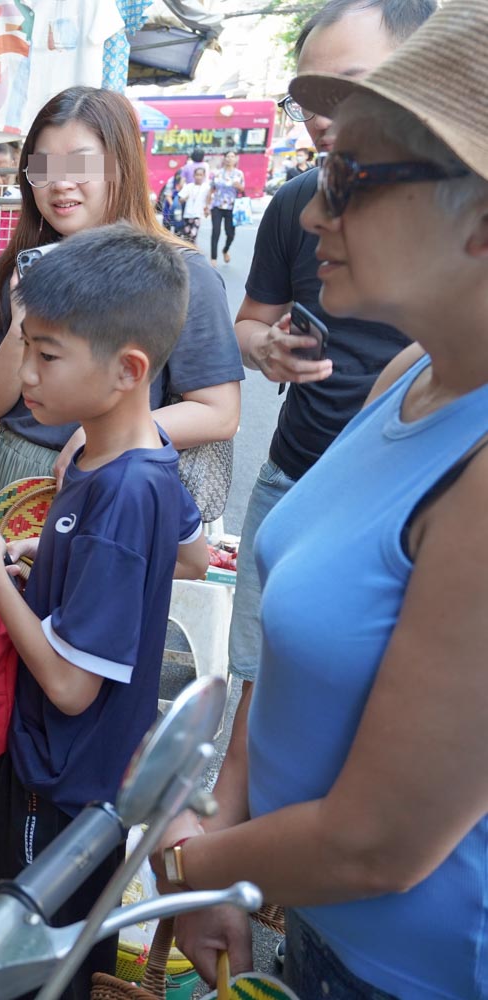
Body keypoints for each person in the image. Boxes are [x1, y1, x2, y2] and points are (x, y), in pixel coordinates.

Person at [157, 5, 488, 994]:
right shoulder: (409, 377)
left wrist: (181, 867)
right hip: (319, 926)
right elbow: (296, 649)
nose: (310, 214)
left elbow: (378, 844)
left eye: (348, 181)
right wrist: (230, 832)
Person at [0, 223, 211, 999]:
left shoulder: (119, 491)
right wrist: (51, 557)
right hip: (78, 775)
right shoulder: (130, 461)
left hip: (60, 784)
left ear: (128, 370)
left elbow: (71, 686)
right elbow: (192, 554)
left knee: (35, 959)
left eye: (48, 354)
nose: (26, 373)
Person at [225, 0, 435, 726]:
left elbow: (381, 820)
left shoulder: (454, 462)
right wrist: (264, 347)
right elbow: (247, 326)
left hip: (393, 500)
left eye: (348, 86)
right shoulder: (294, 204)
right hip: (297, 475)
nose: (319, 116)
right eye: (306, 97)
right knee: (263, 685)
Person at [0, 87, 243, 508]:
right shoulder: (19, 268)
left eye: (81, 165)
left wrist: (101, 433)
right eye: (43, 167)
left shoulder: (185, 274)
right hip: (12, 478)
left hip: (115, 480)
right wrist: (22, 324)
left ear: (121, 165)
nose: (60, 184)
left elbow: (219, 412)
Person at [207, 150, 246, 263]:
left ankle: (225, 250)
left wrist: (239, 186)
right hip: (217, 206)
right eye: (227, 156)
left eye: (232, 156)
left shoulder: (239, 174)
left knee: (230, 234)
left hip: (231, 207)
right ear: (224, 159)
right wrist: (207, 205)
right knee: (216, 232)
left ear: (235, 159)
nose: (229, 159)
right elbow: (211, 189)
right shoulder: (217, 173)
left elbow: (243, 190)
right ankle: (213, 258)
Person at [177, 163, 210, 244]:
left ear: (204, 176)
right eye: (197, 175)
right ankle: (188, 253)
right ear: (193, 175)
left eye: (201, 175)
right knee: (186, 235)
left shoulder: (206, 187)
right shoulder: (189, 186)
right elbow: (180, 200)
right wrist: (184, 198)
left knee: (193, 234)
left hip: (197, 215)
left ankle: (192, 252)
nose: (198, 177)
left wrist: (207, 210)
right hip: (187, 215)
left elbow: (209, 200)